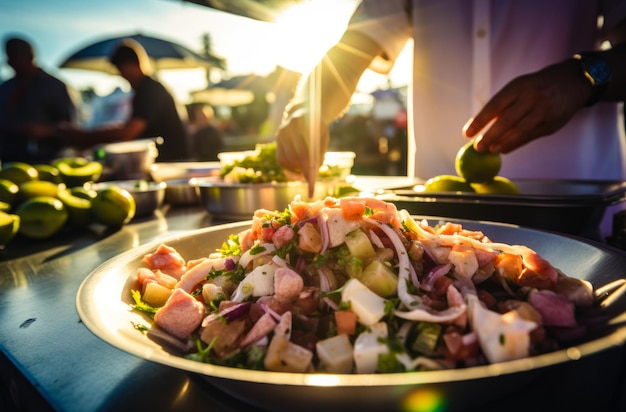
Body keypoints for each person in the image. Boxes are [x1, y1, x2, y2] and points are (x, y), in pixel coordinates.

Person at [275, 0, 626, 238]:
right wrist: (307, 110)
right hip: (432, 227)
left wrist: (585, 76)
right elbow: (351, 50)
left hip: (578, 218)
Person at [61, 39, 188, 161]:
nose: (122, 76)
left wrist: (85, 137)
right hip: (167, 159)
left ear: (132, 65)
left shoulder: (149, 90)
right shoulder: (146, 89)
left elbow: (129, 132)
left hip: (171, 161)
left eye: (121, 70)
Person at [0, 36, 76, 164]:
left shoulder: (54, 86)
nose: (10, 62)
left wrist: (46, 131)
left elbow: (69, 126)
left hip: (45, 159)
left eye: (15, 57)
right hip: (9, 158)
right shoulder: (6, 88)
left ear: (29, 57)